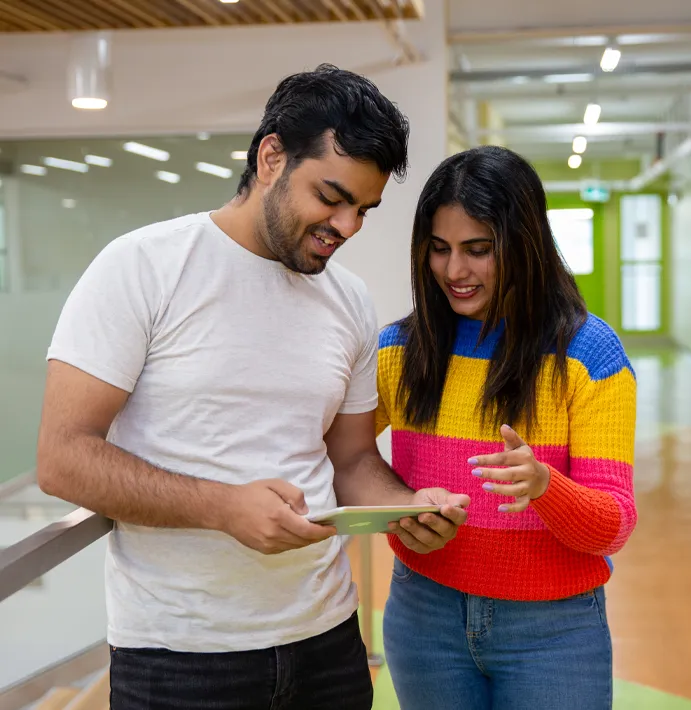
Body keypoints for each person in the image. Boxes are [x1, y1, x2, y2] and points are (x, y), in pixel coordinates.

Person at [35, 64, 469, 710]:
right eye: (331, 197)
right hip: (178, 658)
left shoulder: (348, 301)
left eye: (363, 210)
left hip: (326, 640)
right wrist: (222, 507)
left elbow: (350, 459)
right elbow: (62, 457)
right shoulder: (143, 269)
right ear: (271, 157)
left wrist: (408, 510)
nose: (347, 227)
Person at [376, 145, 637, 710]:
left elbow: (614, 524)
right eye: (439, 250)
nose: (454, 271)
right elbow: (341, 455)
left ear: (525, 246)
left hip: (553, 631)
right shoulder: (400, 350)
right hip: (423, 616)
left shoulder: (589, 354)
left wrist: (545, 485)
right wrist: (398, 501)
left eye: (479, 250)